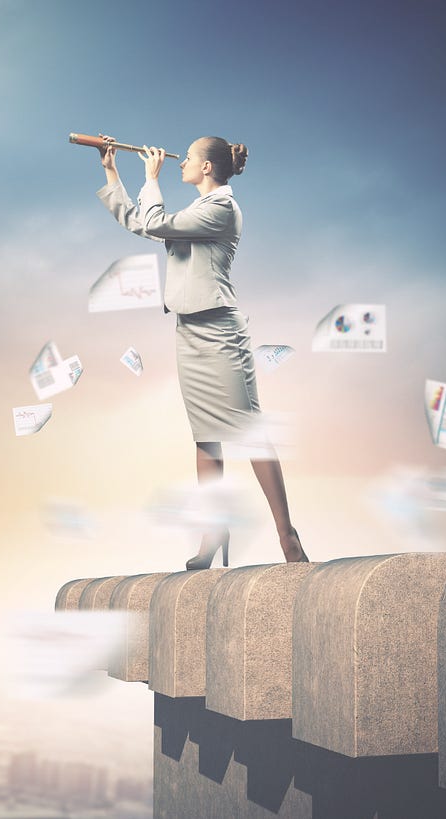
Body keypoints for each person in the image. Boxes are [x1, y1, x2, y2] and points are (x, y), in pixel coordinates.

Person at [94, 135, 309, 569]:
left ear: (207, 167)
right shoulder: (196, 210)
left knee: (250, 431)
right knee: (205, 436)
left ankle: (288, 536)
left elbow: (155, 222)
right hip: (189, 333)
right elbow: (140, 223)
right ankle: (214, 530)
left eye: (188, 157)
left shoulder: (221, 208)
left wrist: (149, 177)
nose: (180, 162)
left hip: (220, 332)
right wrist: (111, 170)